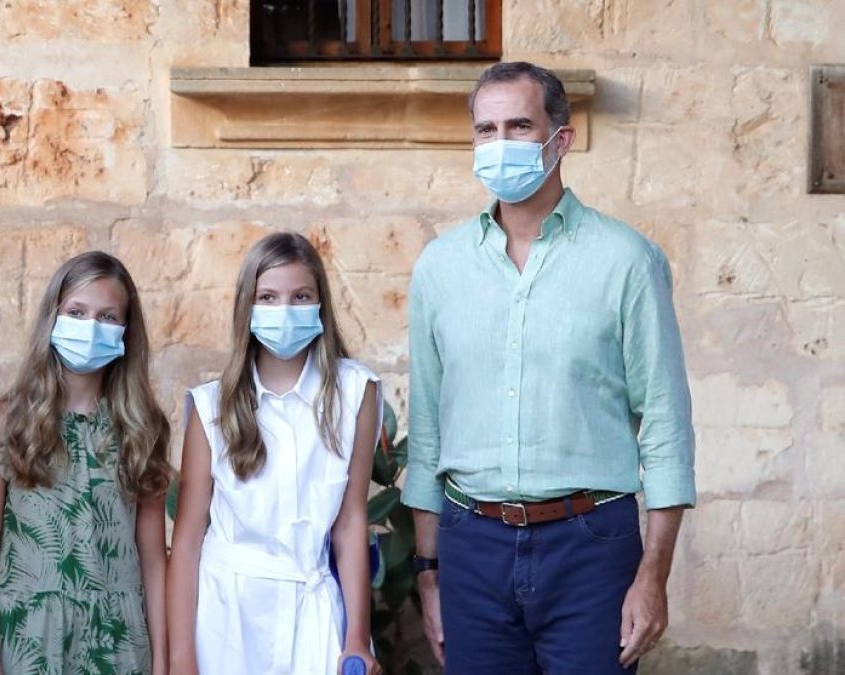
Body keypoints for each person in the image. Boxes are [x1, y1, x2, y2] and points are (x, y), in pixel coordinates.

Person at [403, 61, 696, 674]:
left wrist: (653, 576)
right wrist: (429, 577)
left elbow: (666, 424)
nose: (499, 143)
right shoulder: (440, 268)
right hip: (471, 546)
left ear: (559, 139)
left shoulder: (627, 262)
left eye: (518, 125)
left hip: (591, 545)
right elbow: (427, 430)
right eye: (486, 130)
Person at [168, 232, 382, 675]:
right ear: (247, 307)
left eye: (300, 296)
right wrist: (182, 657)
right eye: (267, 297)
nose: (284, 311)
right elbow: (187, 540)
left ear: (320, 304)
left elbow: (350, 520)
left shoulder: (354, 393)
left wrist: (357, 636)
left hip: (312, 604)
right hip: (226, 616)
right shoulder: (211, 407)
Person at [0, 251, 171, 674]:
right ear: (53, 318)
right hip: (29, 640)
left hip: (119, 643)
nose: (90, 327)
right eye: (77, 312)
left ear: (127, 332)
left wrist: (164, 662)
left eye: (107, 316)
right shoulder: (5, 425)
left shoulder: (142, 429)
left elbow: (152, 560)